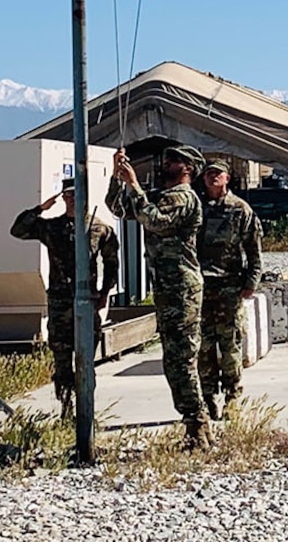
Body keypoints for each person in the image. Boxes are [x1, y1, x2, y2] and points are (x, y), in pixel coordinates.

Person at [109, 144, 209, 449]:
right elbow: (120, 209)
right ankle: (195, 425)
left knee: (181, 360)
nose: (166, 163)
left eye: (175, 160)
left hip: (182, 288)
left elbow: (155, 221)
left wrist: (134, 185)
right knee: (174, 359)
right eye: (166, 158)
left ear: (188, 168)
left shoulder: (182, 197)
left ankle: (198, 425)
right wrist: (118, 178)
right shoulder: (162, 197)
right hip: (168, 288)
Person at [10, 183, 120, 420]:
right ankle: (66, 408)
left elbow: (112, 264)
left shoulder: (100, 228)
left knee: (86, 363)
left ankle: (85, 411)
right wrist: (40, 208)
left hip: (87, 302)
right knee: (62, 362)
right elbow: (18, 230)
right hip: (60, 303)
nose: (72, 199)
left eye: (76, 195)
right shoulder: (52, 227)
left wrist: (104, 293)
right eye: (68, 195)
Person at [196, 159, 264, 420]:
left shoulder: (240, 210)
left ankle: (232, 396)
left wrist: (251, 282)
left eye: (218, 174)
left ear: (227, 178)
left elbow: (253, 250)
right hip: (201, 289)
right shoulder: (197, 209)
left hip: (229, 288)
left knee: (230, 346)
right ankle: (209, 397)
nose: (213, 178)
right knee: (203, 347)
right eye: (209, 174)